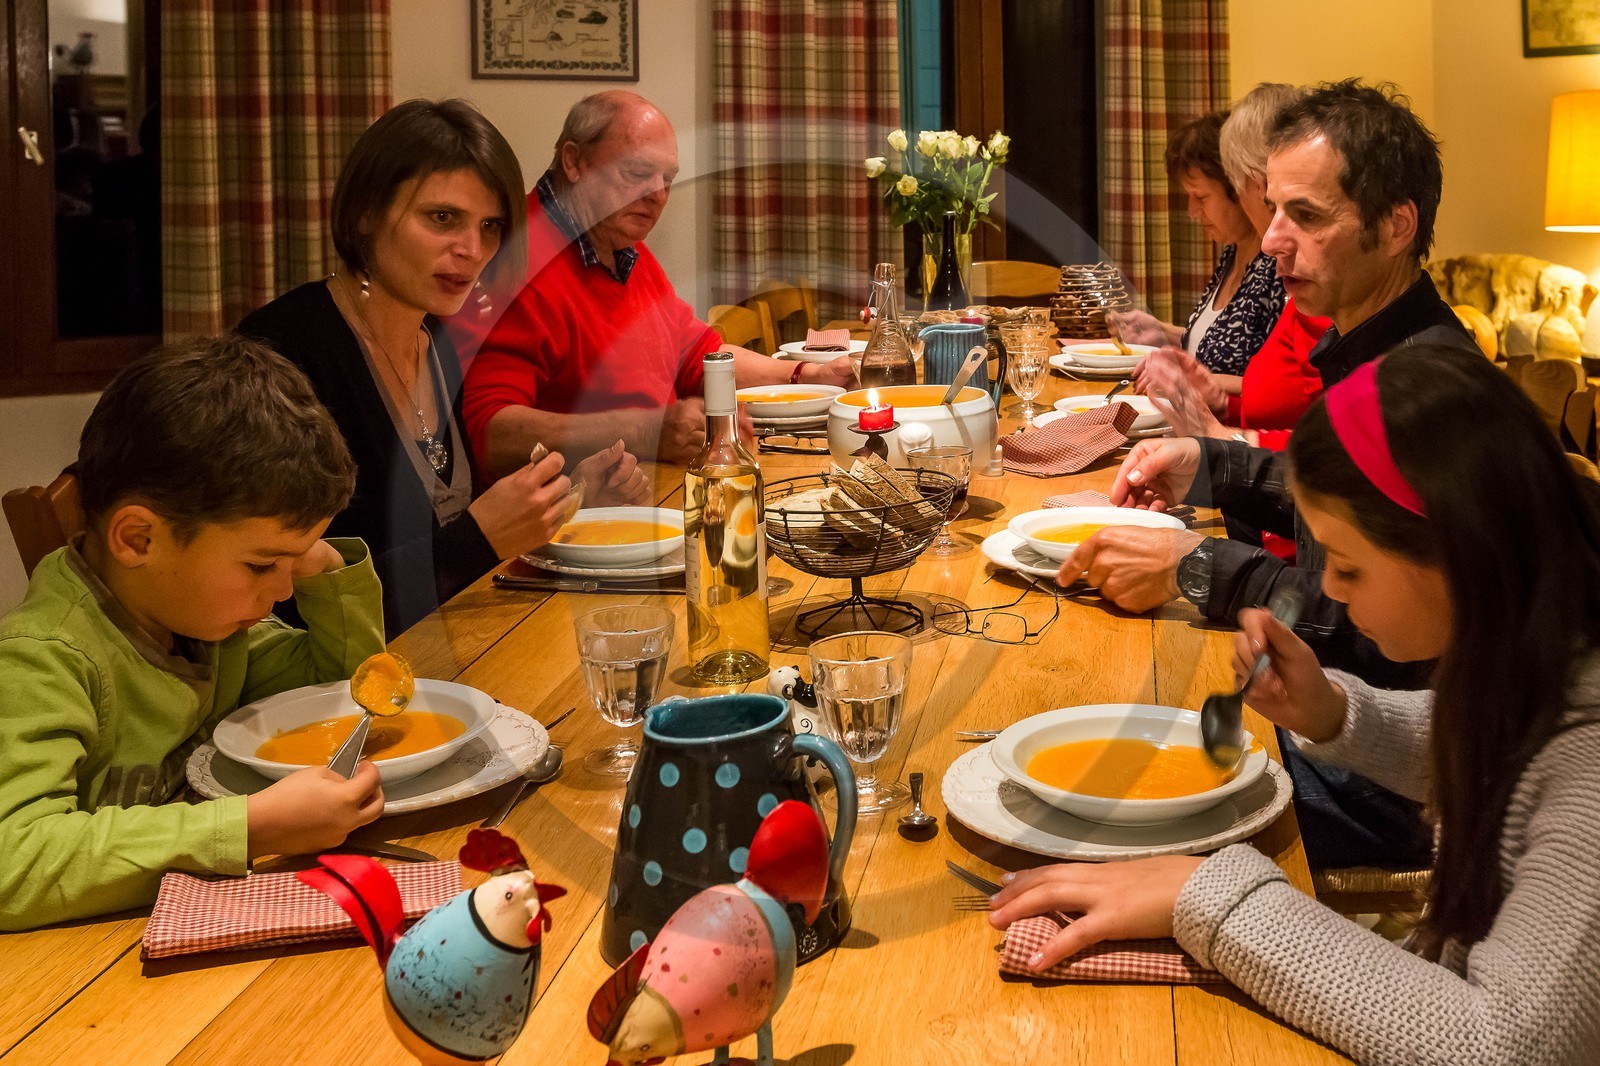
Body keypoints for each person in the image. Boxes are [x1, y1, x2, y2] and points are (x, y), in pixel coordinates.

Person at [993, 347, 1600, 1063]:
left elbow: (1504, 1044)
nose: (1332, 592)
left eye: (1346, 566)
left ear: (1458, 551)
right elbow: (1490, 752)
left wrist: (1210, 893)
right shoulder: (1536, 655)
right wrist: (1336, 713)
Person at [0, 337, 388, 931]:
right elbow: (14, 862)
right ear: (138, 540)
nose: (285, 591)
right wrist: (249, 826)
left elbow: (341, 696)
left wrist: (326, 570)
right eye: (263, 565)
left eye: (294, 560)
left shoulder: (199, 621)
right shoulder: (42, 661)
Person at [241, 99, 650, 637]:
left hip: (446, 646)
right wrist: (482, 538)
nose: (473, 250)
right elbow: (275, 602)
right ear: (366, 211)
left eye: (490, 226)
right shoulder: (281, 354)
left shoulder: (436, 340)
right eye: (442, 219)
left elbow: (445, 529)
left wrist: (567, 498)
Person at [457, 90, 856, 476]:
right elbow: (491, 435)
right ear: (574, 161)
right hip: (576, 518)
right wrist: (642, 432)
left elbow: (697, 353)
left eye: (667, 178)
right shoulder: (513, 259)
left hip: (653, 488)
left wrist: (806, 375)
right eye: (637, 172)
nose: (658, 194)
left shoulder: (621, 247)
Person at [1109, 111, 1285, 379]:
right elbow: (1218, 346)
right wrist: (1163, 332)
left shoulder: (1277, 267)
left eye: (1201, 197)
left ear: (1238, 188)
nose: (1192, 211)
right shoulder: (1232, 254)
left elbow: (1276, 386)